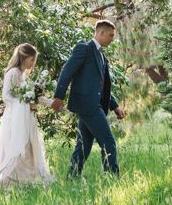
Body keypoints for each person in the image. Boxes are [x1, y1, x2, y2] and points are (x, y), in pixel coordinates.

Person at [51, 19, 125, 177]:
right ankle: (112, 177)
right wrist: (59, 96)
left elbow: (102, 88)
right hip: (87, 106)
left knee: (84, 146)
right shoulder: (84, 48)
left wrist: (115, 106)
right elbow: (66, 72)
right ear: (101, 32)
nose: (112, 39)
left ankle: (72, 177)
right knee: (109, 142)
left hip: (93, 105)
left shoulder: (102, 57)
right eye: (110, 35)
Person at [0, 43, 54, 189]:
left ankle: (24, 179)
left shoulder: (23, 75)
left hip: (26, 117)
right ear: (24, 58)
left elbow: (33, 96)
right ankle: (4, 179)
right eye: (31, 60)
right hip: (14, 118)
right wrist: (25, 105)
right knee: (13, 146)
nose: (33, 64)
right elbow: (6, 97)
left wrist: (51, 103)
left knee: (28, 146)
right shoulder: (12, 73)